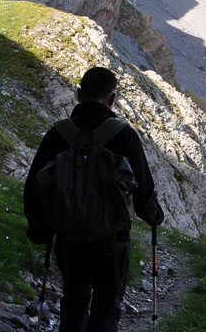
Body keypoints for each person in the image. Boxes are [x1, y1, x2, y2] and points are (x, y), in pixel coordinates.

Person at [24, 66, 164, 332]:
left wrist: (39, 230)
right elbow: (143, 187)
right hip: (111, 239)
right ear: (112, 99)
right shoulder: (124, 135)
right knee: (107, 307)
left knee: (74, 301)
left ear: (78, 94)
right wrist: (154, 216)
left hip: (68, 238)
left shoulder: (58, 134)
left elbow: (34, 185)